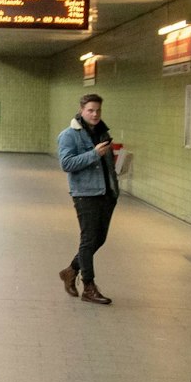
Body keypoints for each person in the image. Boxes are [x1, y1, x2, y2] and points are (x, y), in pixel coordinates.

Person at [56, 92, 117, 304]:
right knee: (88, 239)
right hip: (85, 194)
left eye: (98, 110)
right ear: (82, 110)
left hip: (106, 193)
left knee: (99, 239)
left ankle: (71, 271)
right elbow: (66, 164)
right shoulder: (69, 135)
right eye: (90, 110)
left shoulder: (102, 132)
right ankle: (89, 286)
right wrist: (93, 154)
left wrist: (114, 190)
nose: (95, 114)